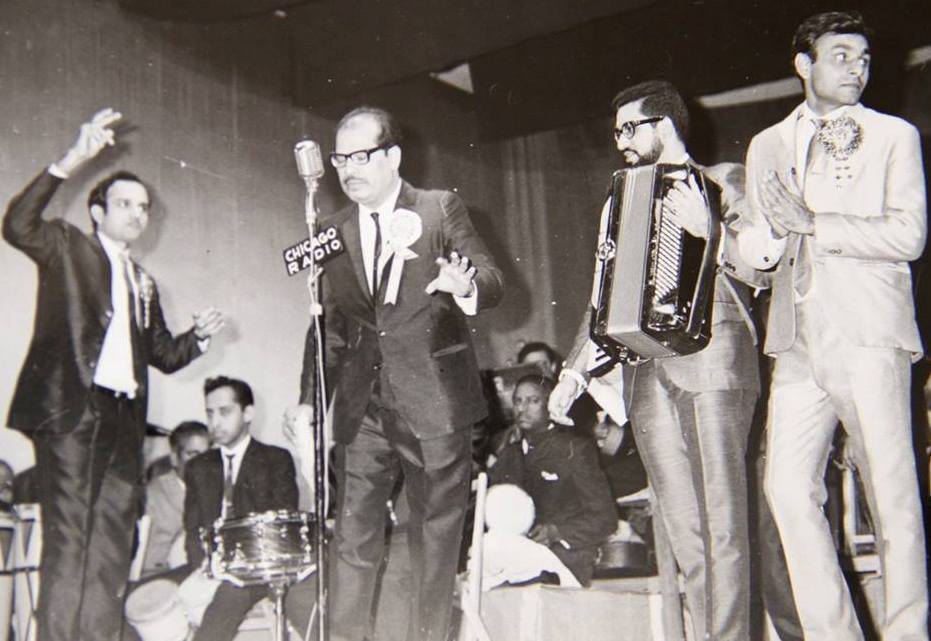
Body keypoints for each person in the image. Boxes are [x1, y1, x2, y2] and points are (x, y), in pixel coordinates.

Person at [549, 81, 765, 641]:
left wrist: (709, 231)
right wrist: (575, 370)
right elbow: (604, 297)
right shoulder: (620, 200)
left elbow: (765, 266)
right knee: (684, 531)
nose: (619, 140)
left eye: (629, 128)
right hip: (647, 375)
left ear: (664, 125)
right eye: (616, 131)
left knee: (723, 525)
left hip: (714, 358)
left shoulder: (725, 180)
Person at [738, 11, 929, 640]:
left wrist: (815, 223)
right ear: (804, 64)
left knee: (892, 496)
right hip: (795, 339)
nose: (856, 67)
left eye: (864, 57)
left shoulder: (893, 136)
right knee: (788, 491)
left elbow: (909, 234)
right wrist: (754, 246)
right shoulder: (767, 143)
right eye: (841, 54)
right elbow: (762, 247)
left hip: (869, 332)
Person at [1, 108, 225, 641]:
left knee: (111, 545)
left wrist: (198, 338)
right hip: (75, 413)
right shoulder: (67, 247)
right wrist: (72, 159)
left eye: (144, 208)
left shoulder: (143, 281)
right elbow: (16, 225)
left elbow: (164, 356)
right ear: (97, 212)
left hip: (126, 422)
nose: (137, 214)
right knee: (70, 542)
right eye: (125, 204)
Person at [299, 106, 504, 641]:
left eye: (361, 156)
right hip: (362, 406)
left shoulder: (439, 209)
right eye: (340, 158)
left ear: (392, 157)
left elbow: (492, 276)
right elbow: (327, 326)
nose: (348, 169)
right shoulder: (331, 229)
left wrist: (466, 288)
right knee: (352, 541)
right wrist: (307, 402)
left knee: (433, 548)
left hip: (435, 404)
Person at [183, 376, 314, 641]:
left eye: (225, 411)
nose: (215, 422)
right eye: (209, 413)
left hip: (261, 567)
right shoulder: (198, 467)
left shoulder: (276, 459)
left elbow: (281, 527)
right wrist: (203, 568)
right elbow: (192, 528)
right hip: (215, 567)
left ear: (247, 413)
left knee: (223, 608)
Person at [489, 375, 616, 586]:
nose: (522, 408)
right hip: (515, 556)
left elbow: (606, 518)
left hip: (563, 559)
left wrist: (557, 532)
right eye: (518, 401)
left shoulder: (574, 449)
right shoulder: (508, 454)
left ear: (551, 404)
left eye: (533, 401)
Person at [143, 421, 210, 575]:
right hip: (157, 580)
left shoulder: (217, 491)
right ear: (174, 458)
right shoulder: (151, 495)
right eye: (193, 455)